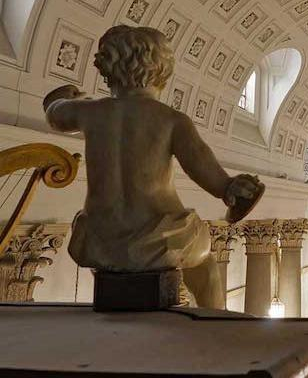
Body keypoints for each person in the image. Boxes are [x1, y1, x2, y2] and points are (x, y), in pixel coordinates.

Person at [42, 25, 262, 309]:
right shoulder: (172, 120)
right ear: (163, 70)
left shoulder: (90, 112)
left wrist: (65, 96)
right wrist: (229, 188)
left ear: (106, 67)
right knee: (205, 264)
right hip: (159, 238)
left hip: (98, 237)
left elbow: (54, 114)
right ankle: (213, 324)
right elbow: (203, 169)